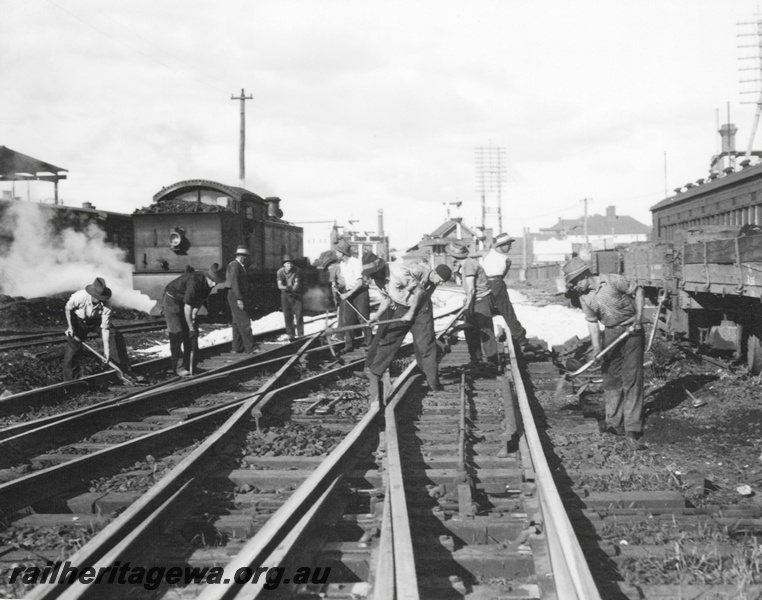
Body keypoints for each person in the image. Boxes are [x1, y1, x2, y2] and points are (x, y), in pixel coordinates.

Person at [562, 256, 646, 450]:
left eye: (574, 283)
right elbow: (592, 322)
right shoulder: (585, 298)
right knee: (610, 378)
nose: (574, 287)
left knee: (632, 378)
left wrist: (639, 319)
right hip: (611, 332)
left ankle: (633, 427)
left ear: (583, 276)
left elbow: (638, 291)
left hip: (632, 330)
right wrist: (597, 348)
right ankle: (614, 423)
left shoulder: (612, 280)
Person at [364, 253, 452, 405]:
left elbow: (419, 291)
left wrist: (411, 313)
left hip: (420, 308)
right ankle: (375, 372)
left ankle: (433, 382)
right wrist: (376, 316)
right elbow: (387, 299)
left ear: (380, 267)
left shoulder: (398, 272)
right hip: (402, 307)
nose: (372, 276)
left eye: (373, 273)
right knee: (389, 339)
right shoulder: (377, 280)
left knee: (426, 345)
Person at [63, 277, 133, 381]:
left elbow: (105, 328)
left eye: (102, 298)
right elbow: (68, 309)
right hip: (78, 321)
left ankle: (123, 373)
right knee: (72, 349)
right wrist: (70, 327)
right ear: (92, 294)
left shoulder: (107, 305)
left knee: (114, 335)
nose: (100, 300)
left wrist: (106, 350)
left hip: (96, 321)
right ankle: (70, 381)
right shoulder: (79, 297)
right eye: (98, 297)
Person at [163, 264, 226, 376]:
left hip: (185, 303)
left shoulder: (208, 285)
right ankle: (178, 368)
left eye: (217, 282)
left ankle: (191, 365)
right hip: (172, 301)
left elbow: (198, 302)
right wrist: (191, 327)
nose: (215, 284)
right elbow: (188, 306)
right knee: (177, 334)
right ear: (208, 277)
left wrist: (193, 317)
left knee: (192, 335)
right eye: (213, 281)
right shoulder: (195, 281)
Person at [480, 233, 536, 355]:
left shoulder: (486, 253)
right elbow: (502, 276)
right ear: (502, 245)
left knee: (486, 314)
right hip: (497, 283)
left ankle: (489, 350)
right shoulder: (506, 260)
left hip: (484, 284)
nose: (510, 248)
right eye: (509, 245)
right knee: (507, 312)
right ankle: (522, 341)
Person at [445, 241, 498, 369]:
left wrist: (467, 306)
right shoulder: (466, 265)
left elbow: (471, 289)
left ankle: (492, 360)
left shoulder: (469, 265)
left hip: (481, 299)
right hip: (475, 299)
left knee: (485, 329)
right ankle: (476, 359)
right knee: (470, 329)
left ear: (454, 256)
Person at [333, 238, 371, 352]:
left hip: (360, 293)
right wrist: (338, 287)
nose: (336, 254)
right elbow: (345, 282)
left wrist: (347, 294)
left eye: (337, 252)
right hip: (349, 292)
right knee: (347, 319)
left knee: (363, 318)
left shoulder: (355, 262)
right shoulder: (342, 264)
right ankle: (349, 344)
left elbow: (359, 283)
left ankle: (369, 343)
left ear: (342, 253)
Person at [226, 245, 256, 353]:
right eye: (245, 256)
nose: (247, 258)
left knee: (236, 322)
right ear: (241, 256)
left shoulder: (239, 265)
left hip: (236, 295)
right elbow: (234, 282)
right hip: (235, 295)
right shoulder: (235, 265)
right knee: (244, 321)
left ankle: (237, 347)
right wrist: (239, 299)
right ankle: (250, 348)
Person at [277, 254, 304, 341]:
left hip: (296, 293)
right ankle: (290, 334)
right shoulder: (280, 272)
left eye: (291, 263)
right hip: (285, 294)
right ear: (284, 264)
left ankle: (300, 334)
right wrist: (286, 288)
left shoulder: (297, 271)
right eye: (288, 263)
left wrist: (292, 289)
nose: (290, 265)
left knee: (299, 314)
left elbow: (296, 283)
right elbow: (279, 285)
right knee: (287, 315)